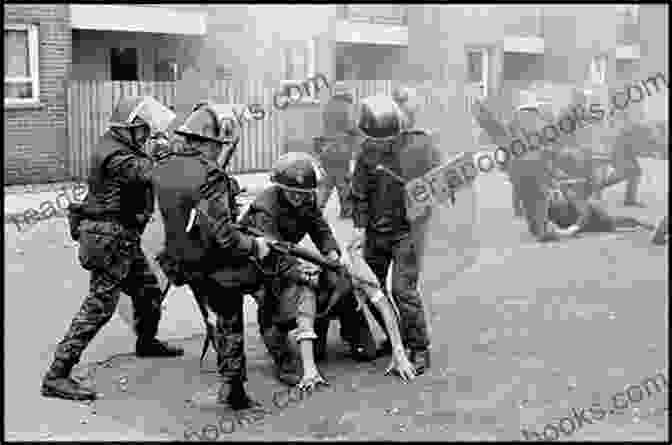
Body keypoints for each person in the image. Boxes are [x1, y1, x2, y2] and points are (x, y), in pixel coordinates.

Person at [42, 96, 183, 402]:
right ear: (129, 129)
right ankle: (57, 374)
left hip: (123, 239)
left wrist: (161, 151)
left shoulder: (121, 146)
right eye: (144, 131)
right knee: (99, 306)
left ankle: (146, 342)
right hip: (109, 239)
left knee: (148, 291)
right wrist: (169, 157)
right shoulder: (114, 154)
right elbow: (149, 174)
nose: (148, 137)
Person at [240, 152, 416, 388]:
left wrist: (333, 256)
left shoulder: (306, 199)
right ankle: (283, 358)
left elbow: (320, 229)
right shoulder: (264, 209)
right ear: (279, 188)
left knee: (338, 285)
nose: (297, 198)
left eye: (303, 194)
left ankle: (342, 330)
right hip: (257, 261)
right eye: (291, 193)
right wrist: (299, 268)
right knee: (273, 304)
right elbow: (272, 255)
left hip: (287, 253)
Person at [152, 102, 273, 410]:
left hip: (181, 259)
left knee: (212, 317)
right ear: (206, 141)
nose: (219, 151)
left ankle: (226, 371)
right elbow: (224, 235)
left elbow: (192, 208)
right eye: (216, 145)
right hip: (212, 260)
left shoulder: (165, 165)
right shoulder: (210, 174)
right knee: (229, 319)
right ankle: (233, 390)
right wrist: (254, 246)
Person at [350, 95, 433, 375]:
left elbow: (444, 178)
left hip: (407, 231)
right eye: (375, 139)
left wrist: (428, 189)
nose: (382, 144)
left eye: (387, 138)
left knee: (403, 290)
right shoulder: (365, 155)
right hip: (376, 231)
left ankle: (418, 348)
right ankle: (395, 334)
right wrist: (360, 229)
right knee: (370, 287)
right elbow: (358, 195)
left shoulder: (418, 146)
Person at [316, 84, 357, 218]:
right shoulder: (346, 106)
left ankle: (317, 209)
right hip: (341, 148)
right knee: (343, 182)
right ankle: (347, 210)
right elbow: (351, 126)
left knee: (327, 181)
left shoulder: (328, 105)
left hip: (327, 148)